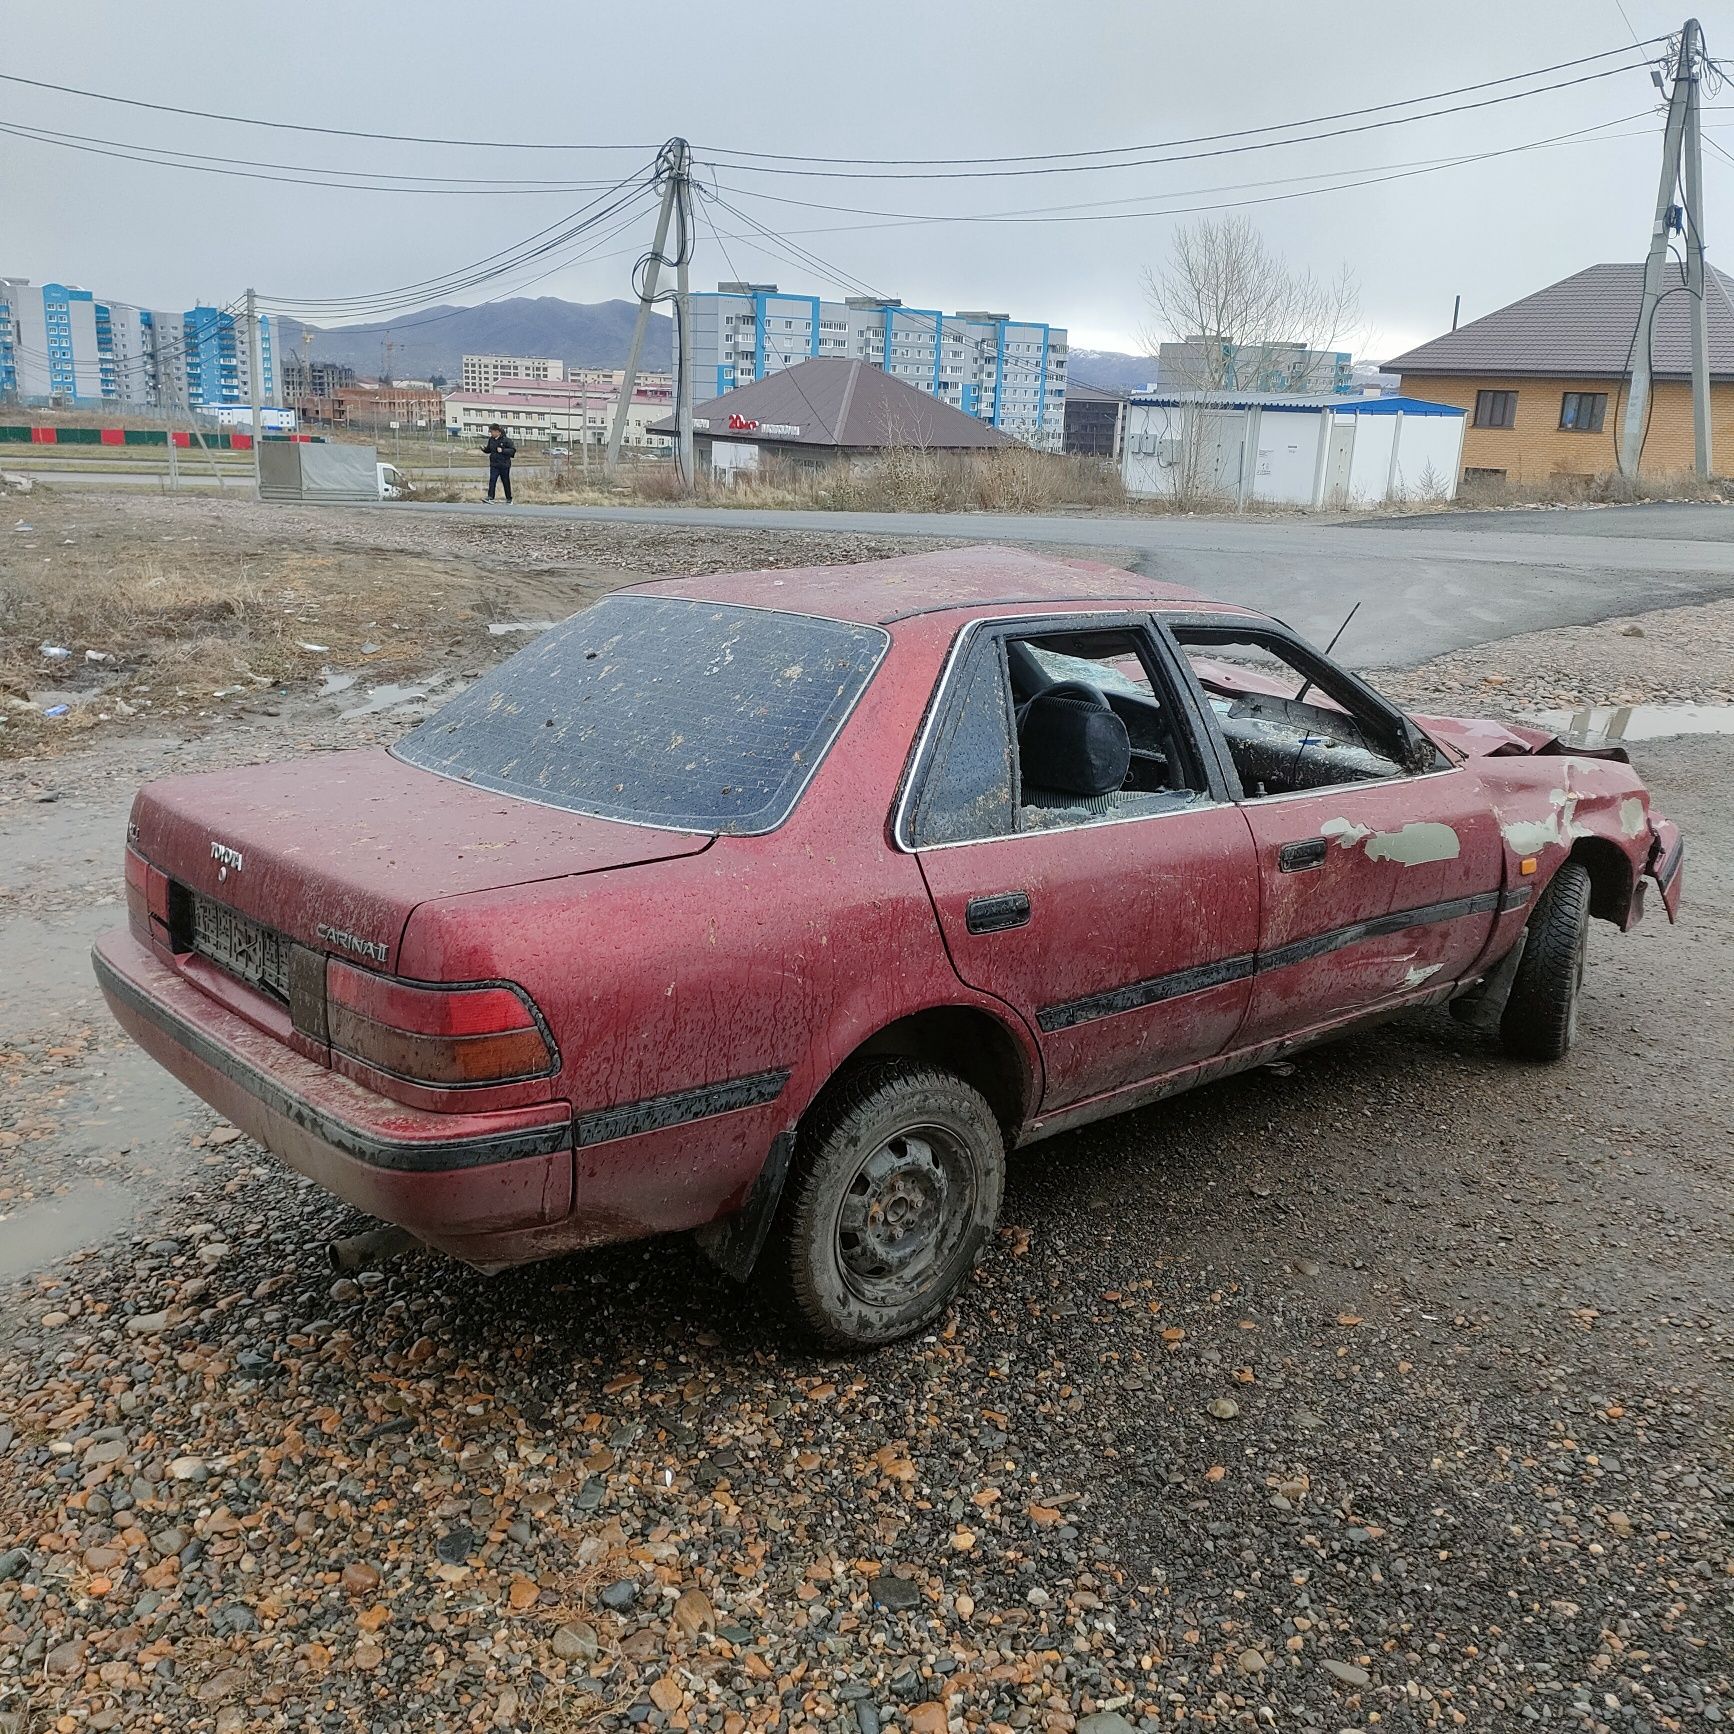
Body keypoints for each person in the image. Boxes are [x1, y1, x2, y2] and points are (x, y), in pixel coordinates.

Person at [482, 424, 515, 502]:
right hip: (494, 465)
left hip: (504, 465)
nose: (491, 433)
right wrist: (484, 449)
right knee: (492, 480)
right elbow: (489, 449)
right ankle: (490, 496)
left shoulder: (506, 440)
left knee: (505, 481)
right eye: (490, 432)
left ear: (498, 432)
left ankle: (509, 498)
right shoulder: (491, 440)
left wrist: (503, 450)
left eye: (492, 432)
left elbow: (513, 451)